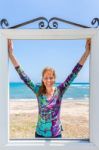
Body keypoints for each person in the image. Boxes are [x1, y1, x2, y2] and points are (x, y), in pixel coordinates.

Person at [8, 39, 91, 138]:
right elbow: (23, 76)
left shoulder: (60, 91)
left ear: (54, 78)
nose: (48, 80)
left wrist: (86, 52)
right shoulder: (38, 91)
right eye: (46, 78)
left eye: (51, 77)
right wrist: (11, 54)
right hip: (40, 134)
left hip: (56, 135)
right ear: (42, 79)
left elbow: (74, 73)